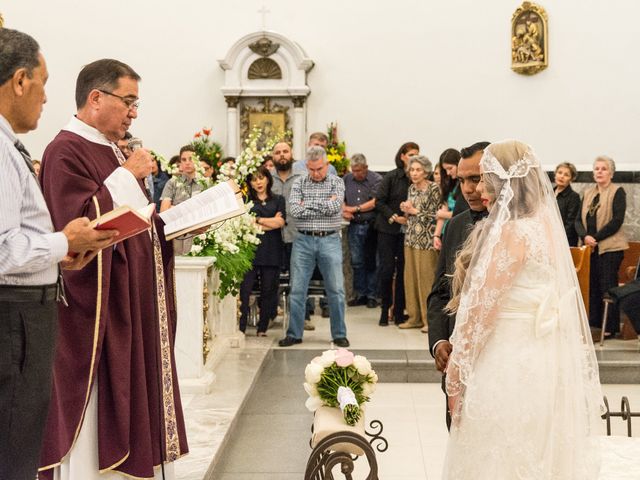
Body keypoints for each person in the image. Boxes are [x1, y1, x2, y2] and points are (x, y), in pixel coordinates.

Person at [38, 58, 188, 479]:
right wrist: (126, 175)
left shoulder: (111, 149)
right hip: (98, 316)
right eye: (129, 101)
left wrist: (170, 222)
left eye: (136, 104)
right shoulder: (64, 149)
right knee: (102, 408)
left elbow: (131, 219)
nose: (134, 113)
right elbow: (76, 226)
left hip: (130, 303)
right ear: (96, 98)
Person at [442, 140, 603, 479]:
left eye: (486, 178)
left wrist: (456, 376)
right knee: (542, 452)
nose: (481, 187)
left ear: (504, 184)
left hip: (510, 360)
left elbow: (482, 311)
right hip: (546, 359)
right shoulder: (545, 226)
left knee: (501, 455)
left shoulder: (513, 233)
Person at [0, 29, 118, 480]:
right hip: (14, 320)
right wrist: (64, 242)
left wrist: (56, 254)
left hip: (24, 314)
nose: (48, 97)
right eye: (43, 82)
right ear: (18, 81)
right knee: (13, 449)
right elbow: (4, 249)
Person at [427, 141, 489, 429]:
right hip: (458, 357)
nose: (467, 189)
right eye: (462, 180)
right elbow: (441, 292)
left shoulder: (518, 229)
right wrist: (439, 340)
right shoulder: (455, 225)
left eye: (475, 179)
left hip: (499, 356)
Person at [278, 146, 349, 348]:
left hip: (330, 240)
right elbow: (295, 210)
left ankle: (339, 334)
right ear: (306, 166)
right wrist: (323, 204)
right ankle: (294, 333)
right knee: (297, 289)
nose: (315, 173)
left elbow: (335, 207)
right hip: (303, 240)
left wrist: (309, 204)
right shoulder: (299, 182)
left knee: (336, 289)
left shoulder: (337, 181)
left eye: (319, 169)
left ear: (327, 165)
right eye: (311, 169)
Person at [576, 156, 628, 337]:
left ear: (611, 173)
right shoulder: (588, 193)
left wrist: (595, 238)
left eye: (604, 169)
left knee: (607, 286)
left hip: (610, 248)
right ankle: (595, 324)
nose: (599, 172)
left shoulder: (617, 191)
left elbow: (617, 220)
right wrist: (585, 236)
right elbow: (577, 220)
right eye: (596, 168)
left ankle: (610, 327)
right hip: (589, 248)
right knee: (592, 286)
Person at [374, 141, 418, 326]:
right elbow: (379, 201)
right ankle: (385, 310)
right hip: (388, 228)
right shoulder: (392, 177)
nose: (413, 158)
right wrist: (394, 217)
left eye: (416, 154)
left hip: (408, 231)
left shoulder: (417, 177)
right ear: (402, 156)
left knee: (403, 272)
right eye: (410, 155)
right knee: (387, 270)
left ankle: (399, 312)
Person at [238, 166, 285, 335]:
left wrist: (257, 220)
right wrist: (269, 221)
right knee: (245, 290)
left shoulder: (278, 200)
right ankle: (241, 327)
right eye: (254, 179)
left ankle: (262, 328)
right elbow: (246, 224)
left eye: (261, 177)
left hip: (272, 250)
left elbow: (280, 223)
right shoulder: (246, 201)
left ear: (267, 179)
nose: (258, 182)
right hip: (250, 251)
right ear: (250, 182)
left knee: (269, 290)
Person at [398, 155, 440, 332]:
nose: (414, 173)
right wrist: (406, 210)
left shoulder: (434, 189)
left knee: (426, 280)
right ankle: (414, 317)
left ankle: (428, 320)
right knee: (410, 279)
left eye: (418, 170)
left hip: (427, 240)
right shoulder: (411, 189)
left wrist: (415, 211)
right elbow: (411, 215)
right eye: (412, 170)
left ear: (426, 172)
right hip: (411, 238)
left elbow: (438, 215)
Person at [342, 153, 382, 308]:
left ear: (366, 167)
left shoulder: (376, 179)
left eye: (359, 170)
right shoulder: (346, 179)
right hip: (353, 225)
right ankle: (360, 293)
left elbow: (375, 202)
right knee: (356, 261)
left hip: (370, 225)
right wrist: (344, 209)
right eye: (354, 170)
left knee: (372, 261)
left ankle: (372, 294)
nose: (356, 173)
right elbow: (341, 198)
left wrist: (355, 209)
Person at [160, 145, 204, 212]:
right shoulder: (172, 183)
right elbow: (163, 211)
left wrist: (173, 208)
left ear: (197, 160)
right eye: (184, 160)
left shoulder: (205, 182)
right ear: (180, 162)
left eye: (191, 159)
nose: (187, 163)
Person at [554, 162, 581, 246]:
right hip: (548, 239)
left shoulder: (574, 197)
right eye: (560, 173)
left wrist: (556, 238)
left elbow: (571, 224)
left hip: (564, 242)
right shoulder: (548, 194)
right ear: (555, 175)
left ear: (571, 179)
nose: (562, 176)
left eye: (566, 175)